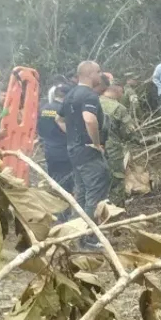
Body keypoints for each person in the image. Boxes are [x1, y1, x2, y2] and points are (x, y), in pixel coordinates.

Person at [59, 61, 110, 249]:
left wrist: (74, 136)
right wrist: (95, 143)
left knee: (80, 193)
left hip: (74, 149)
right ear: (89, 74)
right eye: (98, 71)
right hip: (88, 151)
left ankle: (74, 233)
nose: (100, 74)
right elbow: (89, 119)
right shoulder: (89, 95)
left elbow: (60, 118)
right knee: (95, 193)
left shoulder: (71, 94)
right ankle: (88, 237)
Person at [99, 81, 135, 206]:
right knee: (117, 177)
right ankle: (116, 209)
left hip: (93, 147)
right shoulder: (118, 108)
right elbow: (129, 132)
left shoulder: (93, 102)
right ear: (117, 90)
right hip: (112, 148)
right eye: (122, 92)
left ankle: (98, 206)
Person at [37, 84, 74, 197]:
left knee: (53, 179)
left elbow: (40, 129)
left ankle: (53, 202)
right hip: (64, 151)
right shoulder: (64, 110)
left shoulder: (44, 108)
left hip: (49, 149)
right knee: (65, 183)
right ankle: (62, 211)